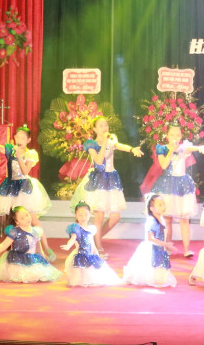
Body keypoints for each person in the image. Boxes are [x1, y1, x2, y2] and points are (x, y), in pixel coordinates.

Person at [0, 124, 54, 260]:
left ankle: (45, 249)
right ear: (14, 137)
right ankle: (14, 251)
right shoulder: (10, 150)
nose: (19, 140)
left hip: (24, 188)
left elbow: (25, 172)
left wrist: (19, 156)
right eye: (17, 137)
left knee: (33, 220)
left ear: (28, 140)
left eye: (23, 138)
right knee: (13, 220)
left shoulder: (30, 153)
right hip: (10, 187)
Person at [70, 117, 143, 256]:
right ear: (95, 129)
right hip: (99, 180)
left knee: (116, 216)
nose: (104, 128)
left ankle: (93, 238)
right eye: (101, 125)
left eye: (106, 125)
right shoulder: (91, 144)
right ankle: (98, 248)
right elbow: (98, 161)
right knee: (99, 216)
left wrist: (132, 149)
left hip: (112, 179)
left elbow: (120, 146)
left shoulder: (111, 141)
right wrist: (104, 143)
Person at [150, 124, 204, 258]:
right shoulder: (162, 148)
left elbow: (191, 148)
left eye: (177, 134)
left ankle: (187, 249)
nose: (175, 137)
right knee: (167, 219)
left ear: (181, 136)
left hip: (182, 184)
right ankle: (167, 248)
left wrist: (199, 148)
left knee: (184, 219)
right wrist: (171, 150)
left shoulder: (183, 148)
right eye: (172, 134)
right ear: (167, 136)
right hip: (167, 186)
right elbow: (164, 165)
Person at [0, 206, 61, 283]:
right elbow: (3, 245)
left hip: (31, 259)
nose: (27, 219)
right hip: (16, 262)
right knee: (26, 276)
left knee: (41, 274)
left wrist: (44, 262)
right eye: (22, 218)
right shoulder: (14, 232)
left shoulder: (36, 231)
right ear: (17, 222)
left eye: (27, 215)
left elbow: (39, 249)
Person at [60, 202, 121, 287]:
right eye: (80, 215)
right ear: (76, 216)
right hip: (80, 256)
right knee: (79, 276)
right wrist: (68, 245)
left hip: (90, 255)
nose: (83, 217)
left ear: (89, 215)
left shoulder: (91, 229)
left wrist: (97, 254)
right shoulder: (76, 228)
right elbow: (73, 238)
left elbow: (92, 243)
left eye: (86, 215)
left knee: (97, 272)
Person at [121, 194, 177, 288]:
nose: (163, 207)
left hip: (159, 248)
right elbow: (151, 238)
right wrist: (165, 244)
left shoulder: (161, 219)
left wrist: (164, 245)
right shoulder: (152, 221)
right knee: (150, 269)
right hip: (152, 248)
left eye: (163, 204)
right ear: (152, 208)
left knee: (161, 276)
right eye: (160, 205)